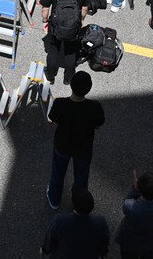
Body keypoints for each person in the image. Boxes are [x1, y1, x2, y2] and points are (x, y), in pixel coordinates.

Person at [46, 71, 105, 209]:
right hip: (83, 147)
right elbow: (99, 123)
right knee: (81, 176)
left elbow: (53, 118)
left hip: (62, 145)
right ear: (89, 88)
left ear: (71, 85)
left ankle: (54, 199)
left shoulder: (60, 103)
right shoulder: (95, 107)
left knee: (58, 173)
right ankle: (79, 203)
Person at [42, 0, 94, 86]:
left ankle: (50, 76)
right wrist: (80, 20)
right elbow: (84, 9)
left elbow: (45, 9)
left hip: (55, 27)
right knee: (71, 51)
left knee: (53, 50)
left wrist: (45, 21)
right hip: (73, 27)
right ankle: (68, 78)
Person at [115, 172, 153, 259]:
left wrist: (134, 189)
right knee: (148, 253)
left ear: (139, 190)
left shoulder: (129, 207)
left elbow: (127, 201)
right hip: (150, 239)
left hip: (130, 240)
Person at [41, 189, 110, 259]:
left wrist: (44, 250)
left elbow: (49, 240)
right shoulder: (100, 223)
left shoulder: (59, 221)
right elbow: (104, 245)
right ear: (92, 206)